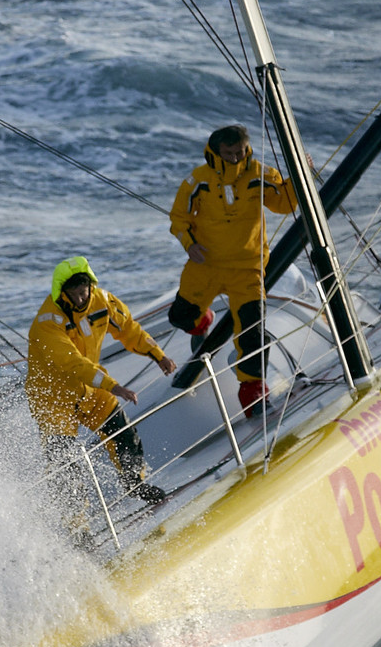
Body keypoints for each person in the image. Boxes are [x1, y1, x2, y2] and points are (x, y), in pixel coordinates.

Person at [26, 256, 176, 520]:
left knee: (123, 433)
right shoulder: (47, 322)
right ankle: (77, 525)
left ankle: (135, 484)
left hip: (90, 389)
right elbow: (73, 364)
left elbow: (129, 329)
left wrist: (158, 354)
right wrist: (114, 386)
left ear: (91, 285)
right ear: (63, 293)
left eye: (85, 290)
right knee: (65, 464)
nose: (82, 297)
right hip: (52, 399)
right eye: (75, 292)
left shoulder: (103, 301)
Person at [167, 123, 298, 415]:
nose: (237, 158)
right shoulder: (197, 181)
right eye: (230, 154)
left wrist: (298, 179)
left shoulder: (260, 174)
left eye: (240, 152)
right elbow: (178, 218)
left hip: (247, 267)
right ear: (216, 152)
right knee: (179, 317)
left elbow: (283, 204)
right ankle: (202, 320)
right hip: (206, 264)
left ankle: (253, 395)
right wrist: (189, 244)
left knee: (253, 331)